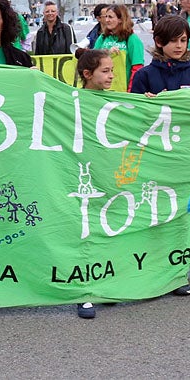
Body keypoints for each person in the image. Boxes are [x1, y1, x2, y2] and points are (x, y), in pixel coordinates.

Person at [72, 47, 115, 319]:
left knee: (104, 227)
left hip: (105, 173)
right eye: (105, 71)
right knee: (81, 229)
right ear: (88, 74)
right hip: (77, 173)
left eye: (112, 70)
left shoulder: (114, 104)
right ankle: (83, 290)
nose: (111, 76)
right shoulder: (71, 100)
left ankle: (105, 282)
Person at [128, 15, 190, 96]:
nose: (179, 45)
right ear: (158, 42)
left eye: (183, 40)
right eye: (173, 40)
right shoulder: (143, 75)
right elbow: (135, 106)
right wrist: (150, 101)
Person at [93, 4, 144, 88]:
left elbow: (137, 68)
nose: (107, 20)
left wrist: (131, 90)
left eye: (110, 17)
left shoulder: (132, 39)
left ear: (120, 19)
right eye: (106, 17)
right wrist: (107, 53)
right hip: (103, 90)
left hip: (122, 90)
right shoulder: (102, 37)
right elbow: (93, 60)